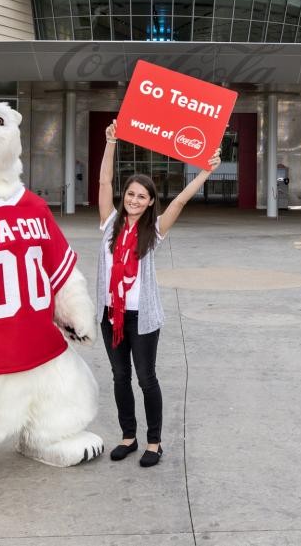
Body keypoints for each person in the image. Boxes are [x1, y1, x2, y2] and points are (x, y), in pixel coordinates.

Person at [97, 119, 220, 467]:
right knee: (120, 377)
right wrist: (111, 142)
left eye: (142, 196)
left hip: (142, 317)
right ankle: (128, 437)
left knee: (146, 378)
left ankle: (154, 442)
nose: (134, 200)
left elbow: (179, 201)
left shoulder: (154, 230)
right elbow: (104, 181)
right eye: (130, 194)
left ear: (150, 202)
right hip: (111, 315)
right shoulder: (109, 224)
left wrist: (206, 171)